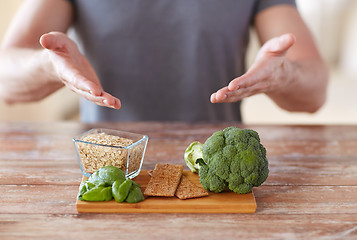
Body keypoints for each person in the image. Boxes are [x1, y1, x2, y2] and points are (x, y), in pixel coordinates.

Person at [0, 0, 328, 122]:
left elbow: (315, 91)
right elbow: (6, 79)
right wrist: (49, 66)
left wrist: (283, 76)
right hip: (109, 172)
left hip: (216, 174)